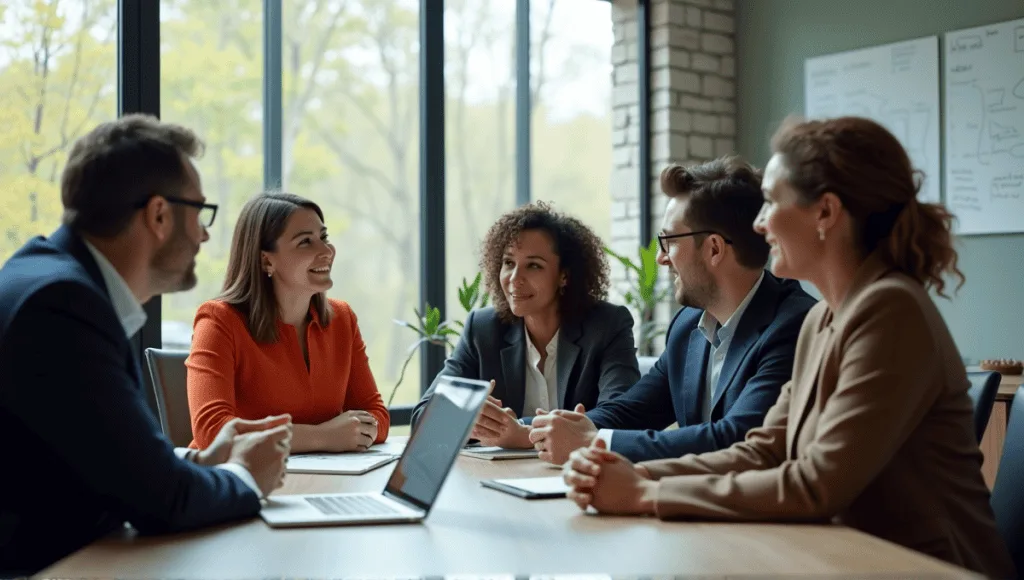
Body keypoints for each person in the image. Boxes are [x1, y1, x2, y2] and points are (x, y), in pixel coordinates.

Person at [561, 116, 1015, 578]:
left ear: (825, 213)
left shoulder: (890, 309)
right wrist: (632, 472)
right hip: (841, 558)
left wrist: (645, 495)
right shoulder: (823, 318)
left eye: (772, 202)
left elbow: (817, 484)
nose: (758, 224)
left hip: (923, 568)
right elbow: (763, 450)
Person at [0, 115, 292, 576]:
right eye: (199, 212)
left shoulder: (45, 276)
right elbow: (162, 502)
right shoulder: (62, 306)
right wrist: (245, 477)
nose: (204, 234)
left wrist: (195, 459)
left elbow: (94, 455)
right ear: (159, 215)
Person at [530, 157, 816, 464]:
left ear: (714, 249)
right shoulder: (688, 325)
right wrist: (548, 427)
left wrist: (593, 441)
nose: (661, 259)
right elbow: (635, 409)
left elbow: (737, 438)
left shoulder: (795, 326)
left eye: (669, 241)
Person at [410, 201, 640, 449]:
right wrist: (469, 420)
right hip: (500, 479)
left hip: (578, 476)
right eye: (509, 263)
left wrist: (522, 431)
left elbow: (622, 416)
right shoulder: (483, 329)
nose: (514, 279)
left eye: (533, 265)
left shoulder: (606, 326)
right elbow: (423, 417)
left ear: (564, 276)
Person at [186, 192, 390, 453]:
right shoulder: (218, 321)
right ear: (266, 259)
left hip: (321, 483)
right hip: (238, 485)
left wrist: (356, 429)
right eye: (306, 242)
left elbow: (377, 416)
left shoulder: (343, 319)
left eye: (323, 238)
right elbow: (213, 432)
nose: (326, 251)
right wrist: (323, 437)